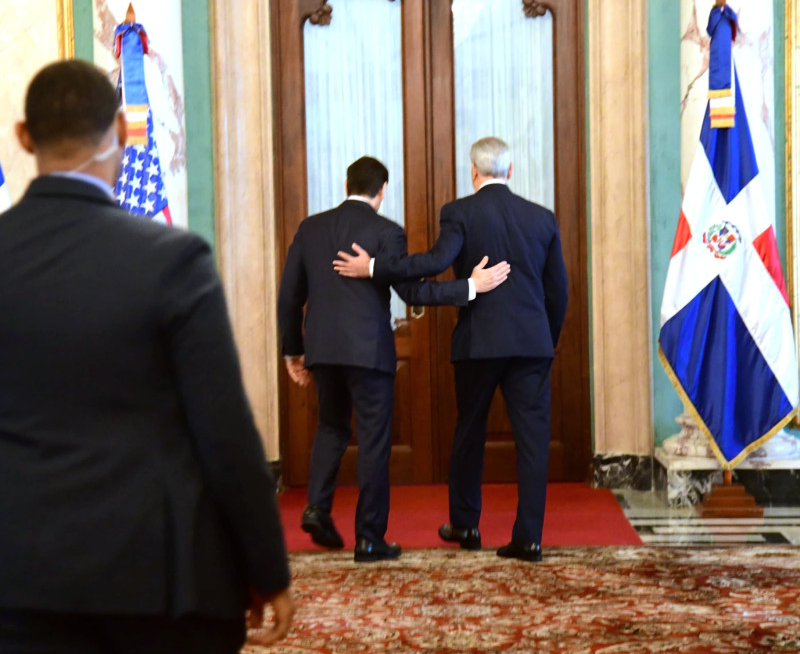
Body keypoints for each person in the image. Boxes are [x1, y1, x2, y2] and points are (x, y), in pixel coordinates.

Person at [0, 59, 293, 652]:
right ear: (127, 132)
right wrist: (266, 568)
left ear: (24, 136)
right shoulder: (172, 259)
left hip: (18, 577)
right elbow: (226, 432)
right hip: (160, 581)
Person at [334, 137, 568, 562]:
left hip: (478, 344)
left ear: (473, 172)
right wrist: (544, 340)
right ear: (510, 172)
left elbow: (433, 261)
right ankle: (529, 538)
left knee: (469, 432)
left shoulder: (460, 212)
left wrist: (373, 267)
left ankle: (465, 523)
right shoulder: (543, 218)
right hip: (532, 346)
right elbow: (560, 292)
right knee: (533, 442)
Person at [277, 156, 510, 563]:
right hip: (369, 352)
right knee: (372, 442)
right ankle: (369, 539)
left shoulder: (310, 229)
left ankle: (317, 507)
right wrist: (469, 287)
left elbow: (289, 296)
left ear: (345, 182)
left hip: (323, 351)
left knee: (331, 427)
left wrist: (293, 350)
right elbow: (415, 294)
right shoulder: (387, 232)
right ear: (383, 191)